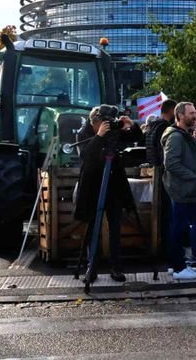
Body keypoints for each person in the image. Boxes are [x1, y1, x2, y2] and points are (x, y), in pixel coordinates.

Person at [73, 106, 138, 283]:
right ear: (94, 122)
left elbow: (135, 137)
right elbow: (86, 155)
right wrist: (99, 136)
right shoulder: (84, 132)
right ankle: (92, 267)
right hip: (93, 186)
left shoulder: (113, 130)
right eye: (103, 122)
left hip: (114, 184)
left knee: (115, 226)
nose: (107, 125)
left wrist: (132, 126)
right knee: (92, 227)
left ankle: (116, 267)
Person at [161, 102, 196, 279]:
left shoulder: (184, 135)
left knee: (183, 226)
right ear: (180, 116)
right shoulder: (176, 137)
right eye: (191, 113)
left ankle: (177, 264)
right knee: (178, 229)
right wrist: (192, 176)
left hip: (189, 191)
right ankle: (179, 268)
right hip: (182, 190)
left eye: (195, 112)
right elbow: (171, 163)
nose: (194, 116)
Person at [145, 99, 176, 258]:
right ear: (171, 111)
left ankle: (164, 247)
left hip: (155, 173)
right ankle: (169, 250)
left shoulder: (152, 127)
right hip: (164, 175)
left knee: (162, 215)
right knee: (168, 215)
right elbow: (165, 154)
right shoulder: (165, 128)